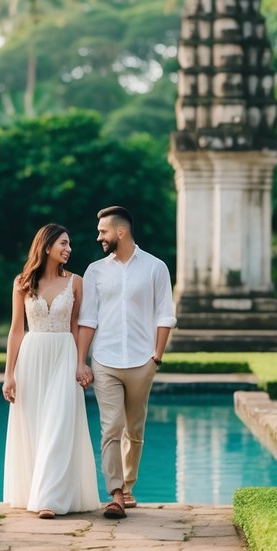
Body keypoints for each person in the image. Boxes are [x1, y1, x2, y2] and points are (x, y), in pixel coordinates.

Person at [76, 206, 176, 519]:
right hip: (105, 359)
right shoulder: (95, 271)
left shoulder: (155, 267)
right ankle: (116, 495)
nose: (98, 237)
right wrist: (82, 360)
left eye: (103, 231)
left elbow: (165, 313)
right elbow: (88, 318)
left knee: (134, 428)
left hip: (141, 360)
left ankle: (128, 486)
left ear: (121, 232)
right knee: (111, 427)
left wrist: (156, 356)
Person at [2, 223, 99, 518]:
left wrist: (81, 361)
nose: (69, 249)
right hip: (31, 357)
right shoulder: (22, 282)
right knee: (34, 426)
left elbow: (78, 326)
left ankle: (48, 500)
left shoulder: (77, 282)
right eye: (63, 244)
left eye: (69, 245)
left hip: (63, 355)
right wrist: (9, 374)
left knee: (59, 425)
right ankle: (35, 491)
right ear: (47, 247)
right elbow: (16, 330)